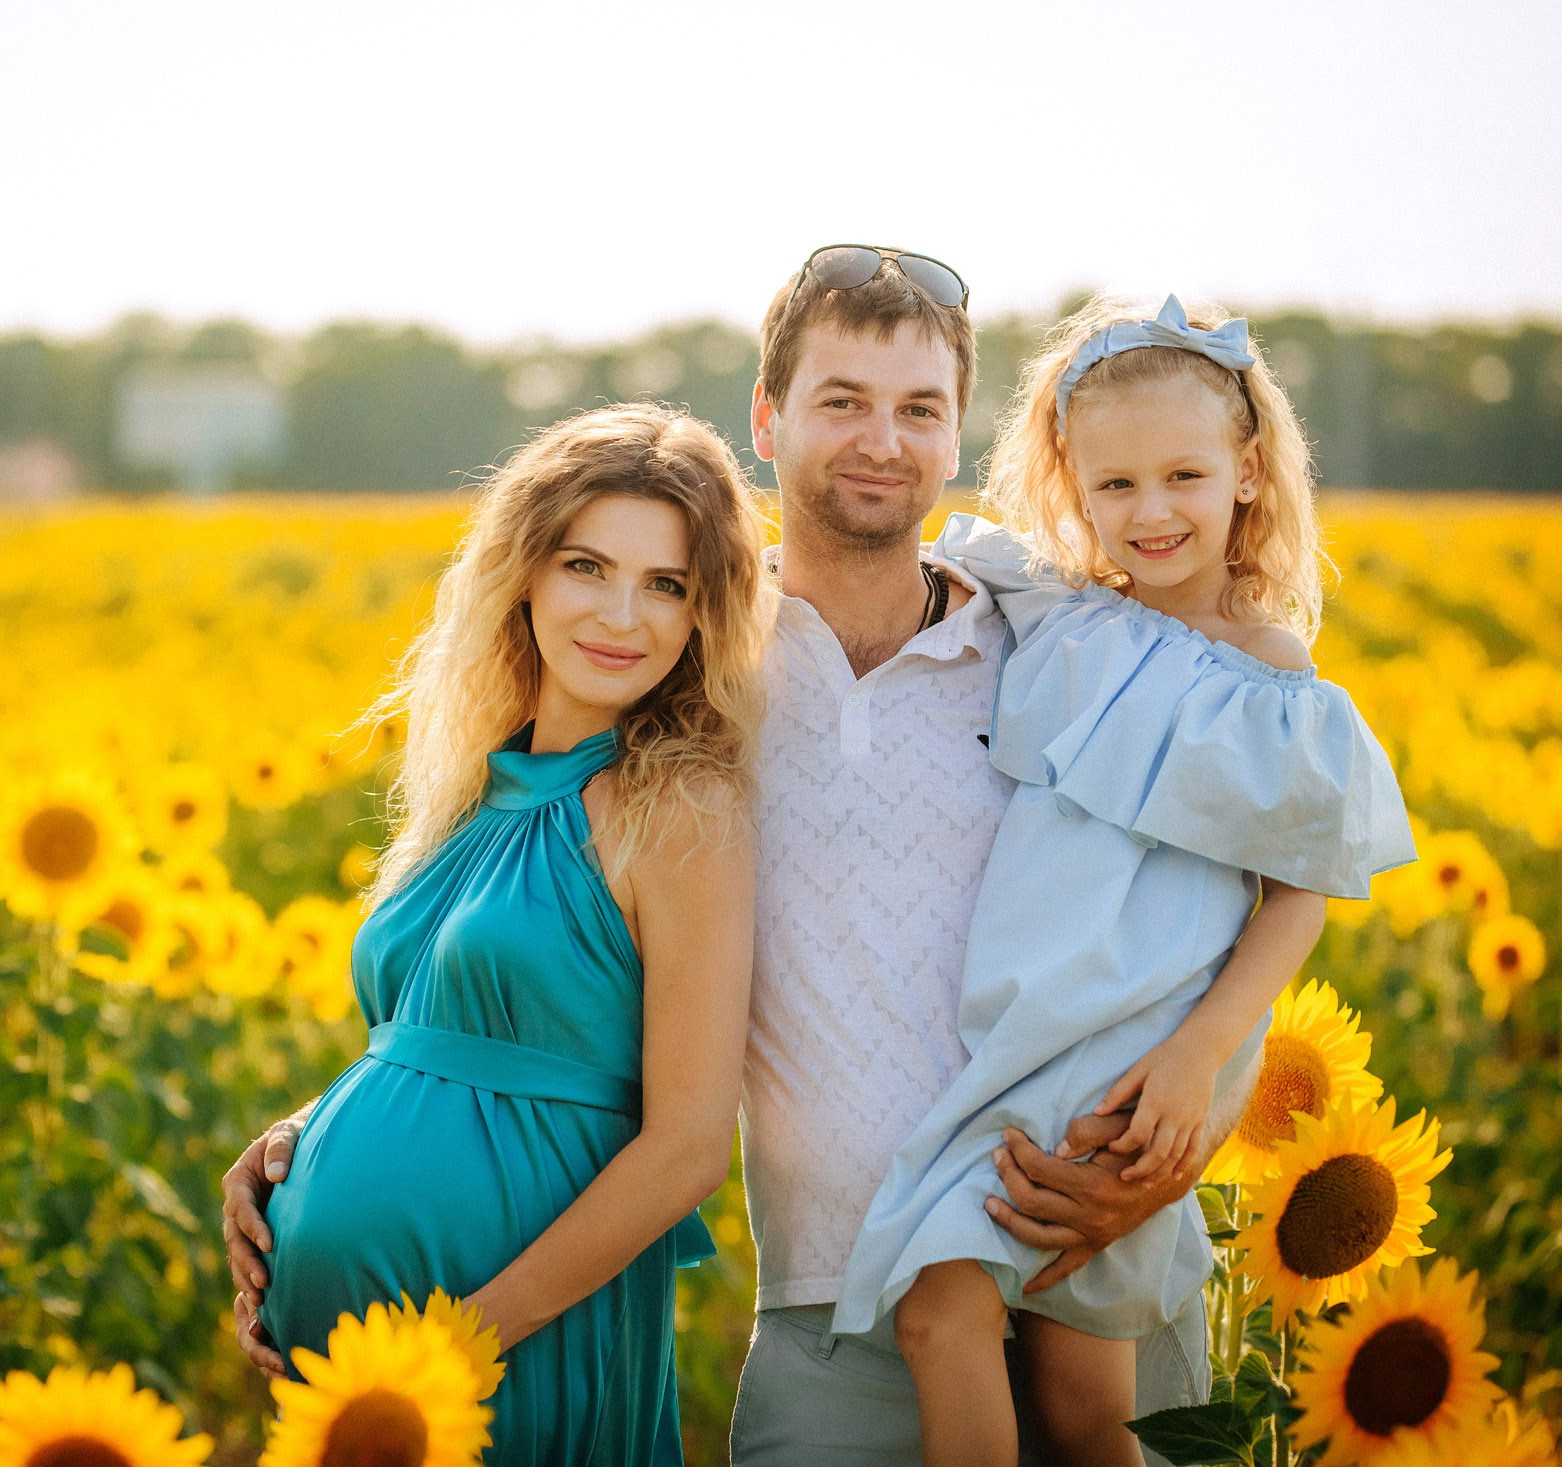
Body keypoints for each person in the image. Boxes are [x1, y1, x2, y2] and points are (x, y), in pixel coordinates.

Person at [227, 248, 1262, 1465]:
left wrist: (1184, 1124)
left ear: (953, 437)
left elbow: (1236, 881)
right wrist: (324, 1126)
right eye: (841, 402)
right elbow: (569, 971)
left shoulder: (1063, 643)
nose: (882, 440)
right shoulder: (688, 670)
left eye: (918, 409)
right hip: (835, 1301)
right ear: (766, 418)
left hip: (1088, 1260)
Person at [828, 294, 1416, 1466]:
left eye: (1183, 477)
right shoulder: (1062, 616)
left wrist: (1202, 1057)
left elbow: (1302, 886)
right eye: (1114, 487)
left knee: (1083, 1405)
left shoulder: (1270, 674)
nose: (1150, 513)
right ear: (1070, 486)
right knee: (949, 1317)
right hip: (1008, 1043)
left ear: (1247, 473)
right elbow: (905, 555)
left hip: (1133, 1064)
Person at [235, 402, 772, 1465]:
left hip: (517, 1337)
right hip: (357, 1365)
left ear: (704, 614)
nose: (623, 614)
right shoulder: (478, 792)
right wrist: (294, 1143)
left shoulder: (680, 812)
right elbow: (431, 1045)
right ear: (523, 573)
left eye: (666, 584)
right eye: (586, 566)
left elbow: (687, 1150)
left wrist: (465, 1341)